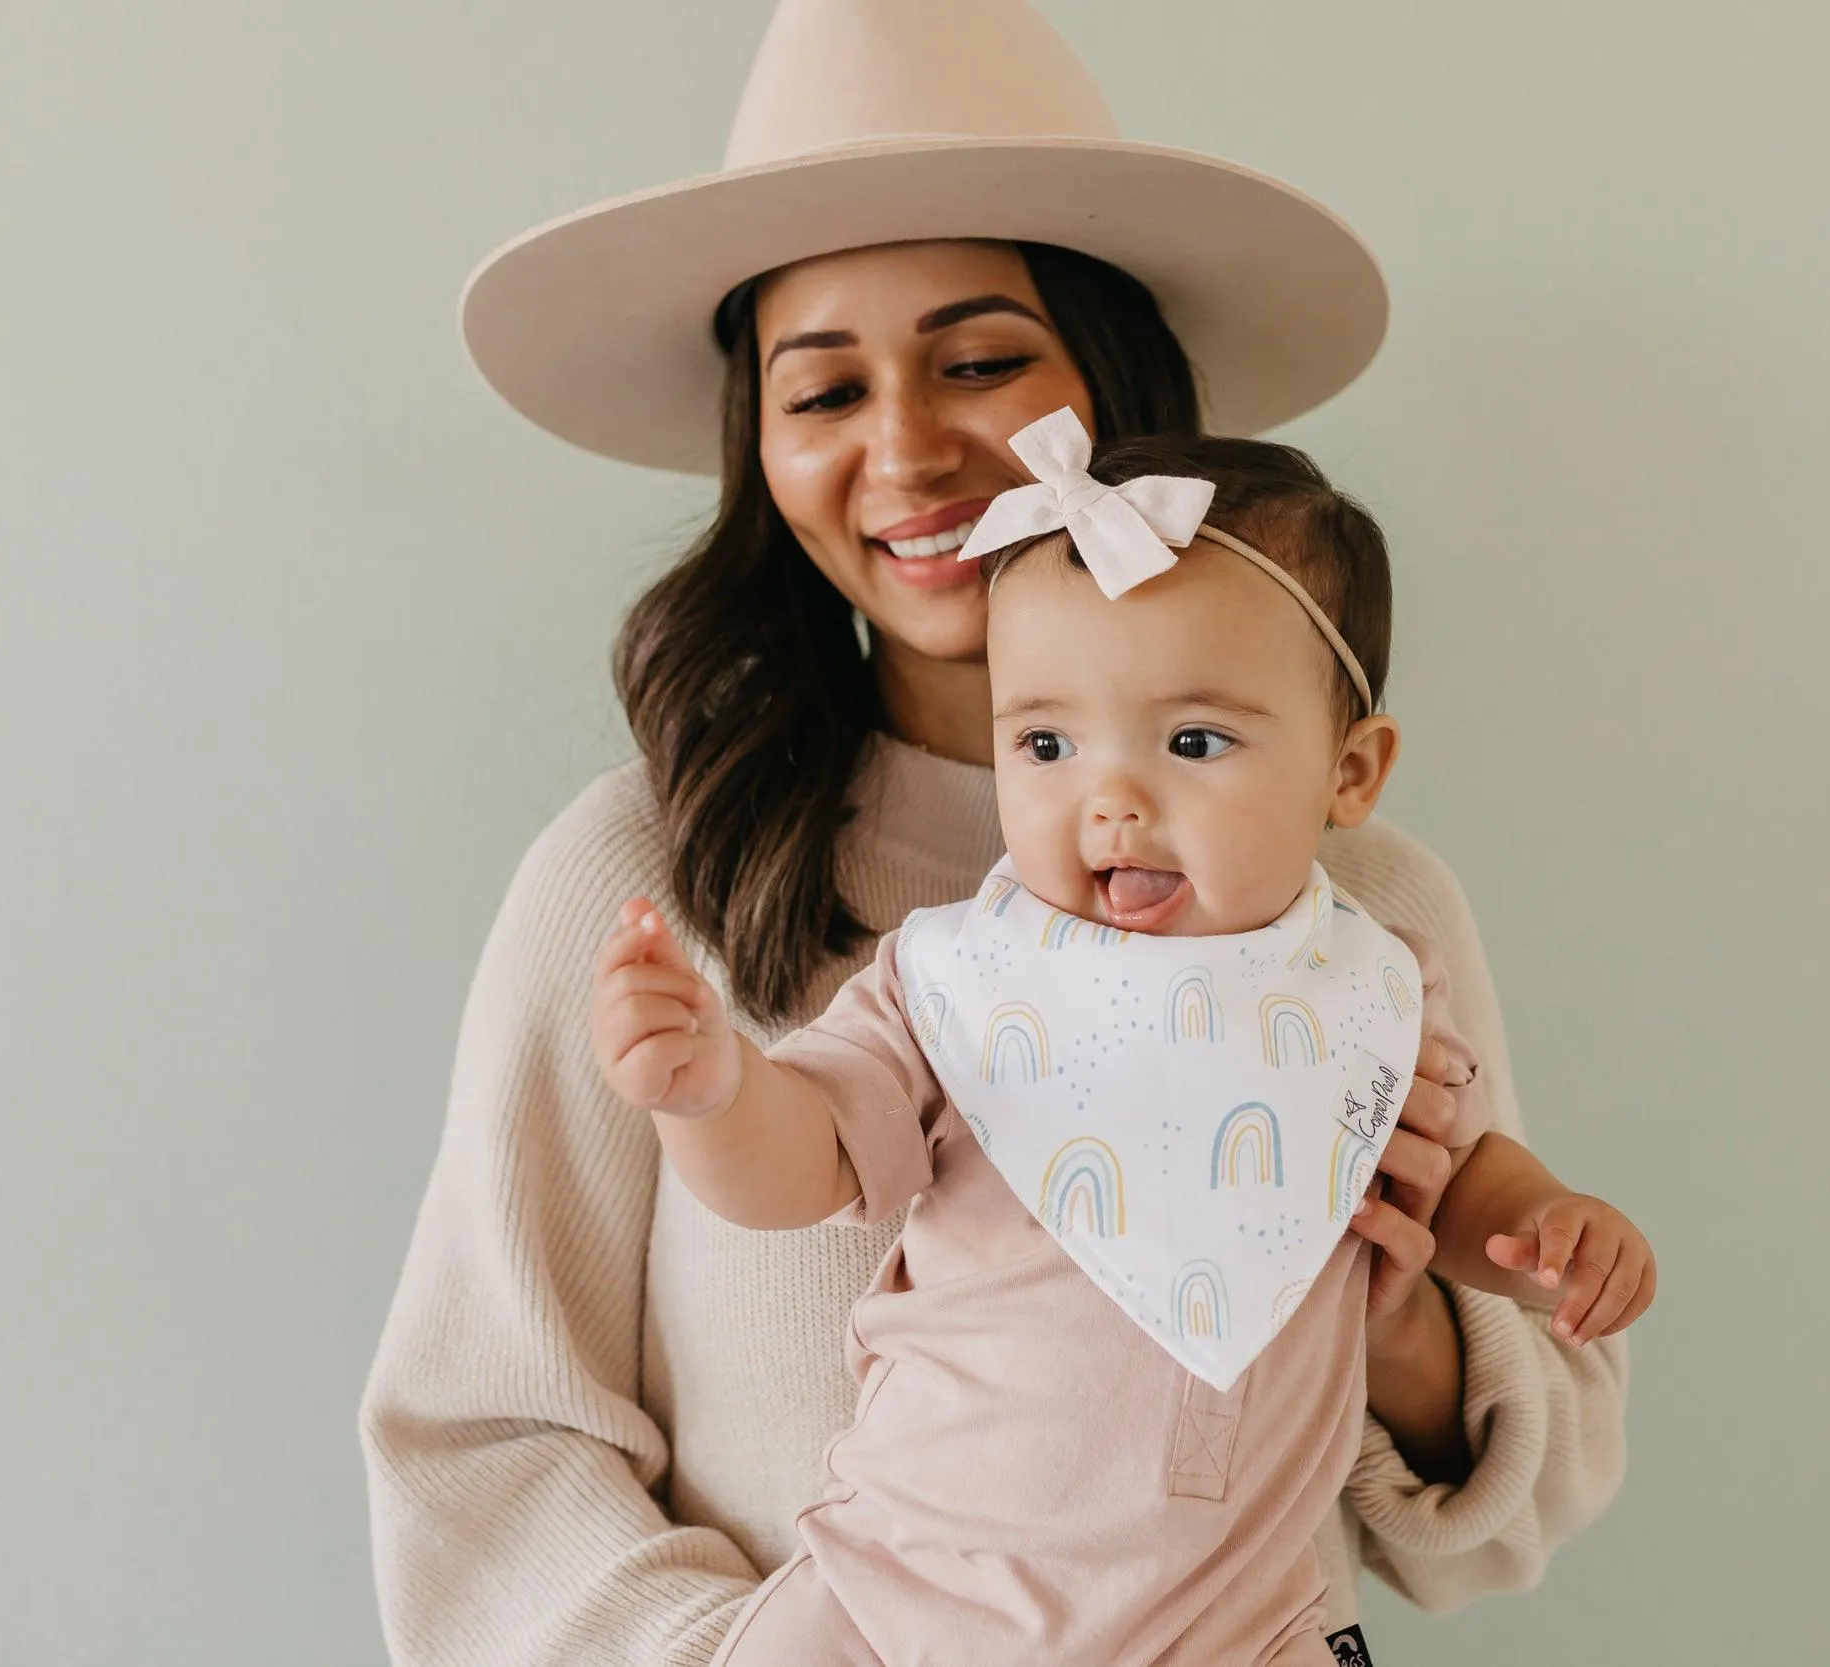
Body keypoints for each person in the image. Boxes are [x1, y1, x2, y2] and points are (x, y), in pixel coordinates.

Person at [360, 3, 1629, 1661]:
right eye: (823, 390)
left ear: (1116, 391)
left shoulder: (1357, 915)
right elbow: (485, 1442)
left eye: (980, 361)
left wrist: (1389, 1327)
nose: (906, 447)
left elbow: (1523, 1499)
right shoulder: (645, 885)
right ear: (759, 448)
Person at [589, 423, 1656, 1664]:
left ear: (1350, 773)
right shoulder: (957, 983)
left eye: (1193, 742)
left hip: (1233, 1625)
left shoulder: (1367, 980)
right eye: (1045, 743)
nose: (1111, 798)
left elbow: (1462, 1178)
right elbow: (800, 1160)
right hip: (906, 1601)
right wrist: (714, 1091)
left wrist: (1546, 1230)